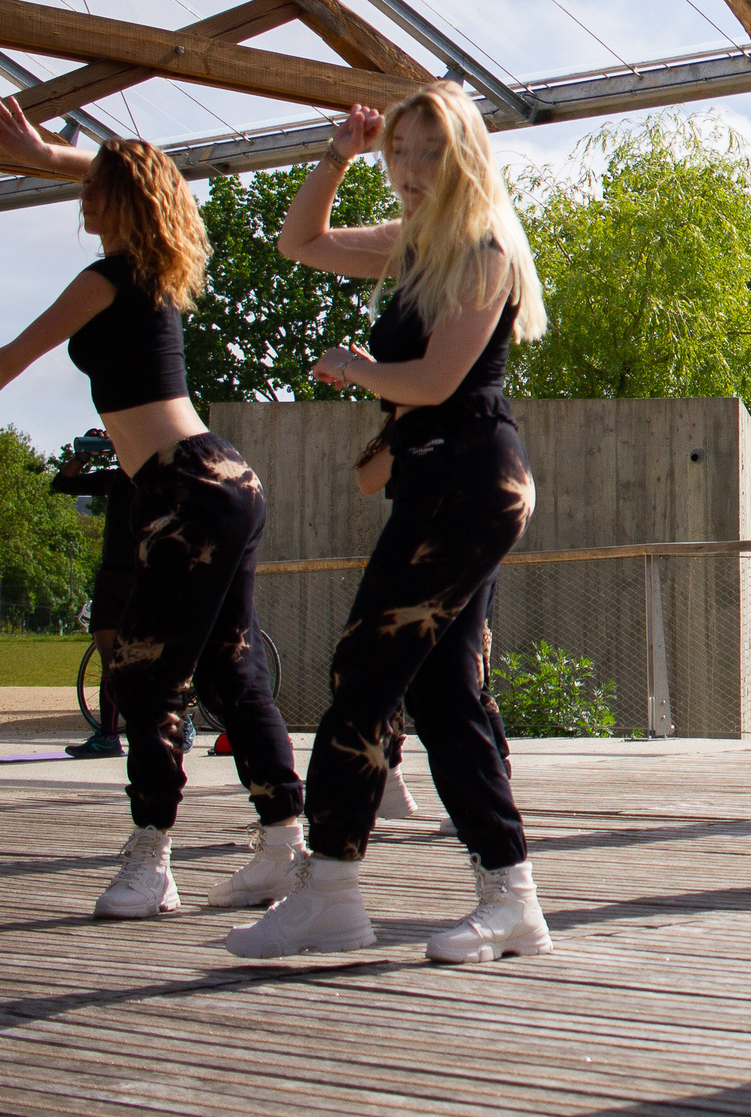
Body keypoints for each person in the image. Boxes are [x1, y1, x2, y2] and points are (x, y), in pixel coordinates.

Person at [0, 98, 303, 918]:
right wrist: (42, 153)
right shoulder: (158, 266)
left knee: (143, 672)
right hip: (223, 480)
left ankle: (153, 858)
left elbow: (18, 351)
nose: (80, 205)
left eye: (91, 195)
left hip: (182, 486)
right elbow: (134, 171)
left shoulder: (110, 277)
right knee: (229, 668)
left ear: (119, 203)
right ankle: (283, 845)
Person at [227, 84, 550, 961]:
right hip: (436, 482)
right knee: (445, 692)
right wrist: (337, 154)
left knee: (363, 668)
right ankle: (511, 896)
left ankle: (329, 885)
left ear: (465, 158)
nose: (407, 169)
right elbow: (301, 243)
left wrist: (360, 366)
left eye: (428, 151)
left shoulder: (483, 248)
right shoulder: (414, 246)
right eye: (398, 151)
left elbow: (438, 382)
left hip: (473, 485)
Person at [50, 427, 131, 760]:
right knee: (111, 661)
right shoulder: (117, 479)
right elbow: (62, 484)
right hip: (113, 577)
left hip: (150, 577)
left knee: (158, 660)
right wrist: (83, 455)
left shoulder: (167, 476)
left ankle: (177, 724)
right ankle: (108, 737)